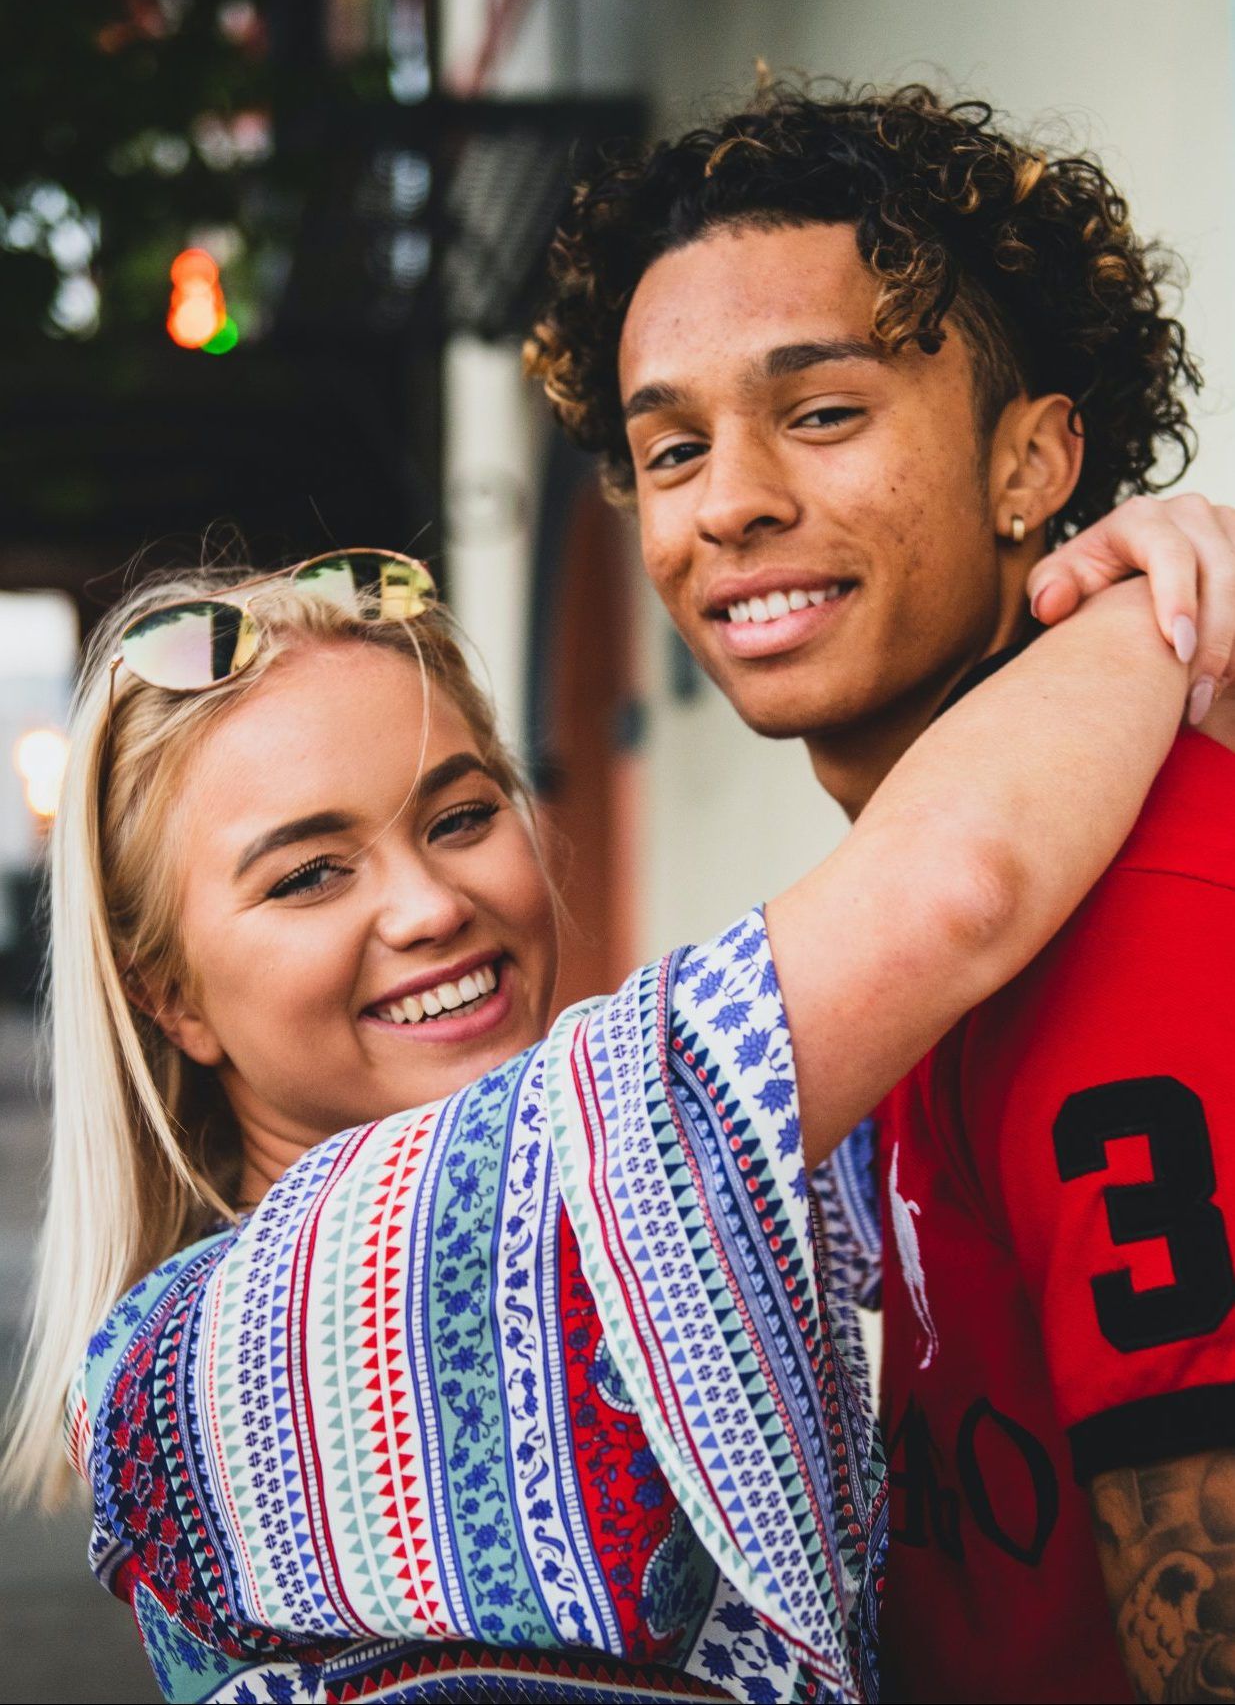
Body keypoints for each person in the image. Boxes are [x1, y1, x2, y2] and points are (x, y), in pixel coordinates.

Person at [0, 537, 1198, 1703]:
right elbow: (957, 886)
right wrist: (1155, 598)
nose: (429, 905)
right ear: (166, 993)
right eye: (309, 874)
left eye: (460, 816)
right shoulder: (244, 1327)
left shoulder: (605, 1187)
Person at [525, 83, 1235, 1700]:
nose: (730, 501)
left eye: (823, 412)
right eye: (672, 447)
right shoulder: (891, 931)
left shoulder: (1147, 907)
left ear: (1033, 459)